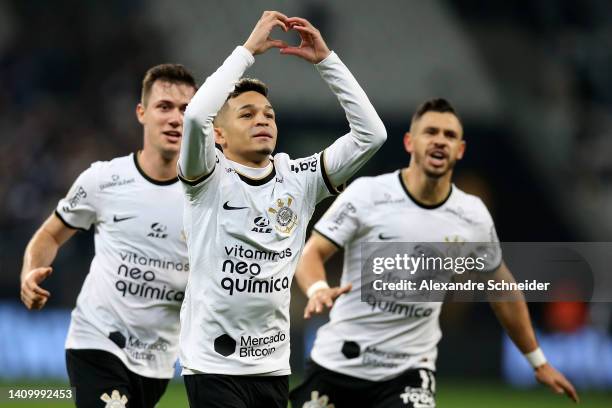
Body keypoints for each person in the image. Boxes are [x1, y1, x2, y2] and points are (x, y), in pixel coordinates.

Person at [290, 98, 579, 408]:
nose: (440, 139)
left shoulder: (472, 215)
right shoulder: (367, 194)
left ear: (460, 150)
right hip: (339, 363)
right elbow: (311, 254)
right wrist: (318, 288)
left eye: (449, 135)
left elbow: (502, 290)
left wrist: (537, 361)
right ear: (410, 142)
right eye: (430, 132)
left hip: (409, 373)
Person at [178, 10, 387, 408]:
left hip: (273, 366)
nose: (263, 120)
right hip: (212, 365)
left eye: (269, 115)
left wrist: (327, 62)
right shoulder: (206, 176)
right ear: (218, 134)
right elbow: (194, 116)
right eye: (247, 114)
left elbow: (371, 135)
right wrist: (246, 52)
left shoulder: (299, 179)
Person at [19, 64, 197, 408]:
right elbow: (49, 236)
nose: (175, 118)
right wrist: (29, 273)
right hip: (96, 341)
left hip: (158, 360)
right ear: (141, 113)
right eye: (164, 107)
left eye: (185, 109)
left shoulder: (206, 195)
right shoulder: (103, 179)